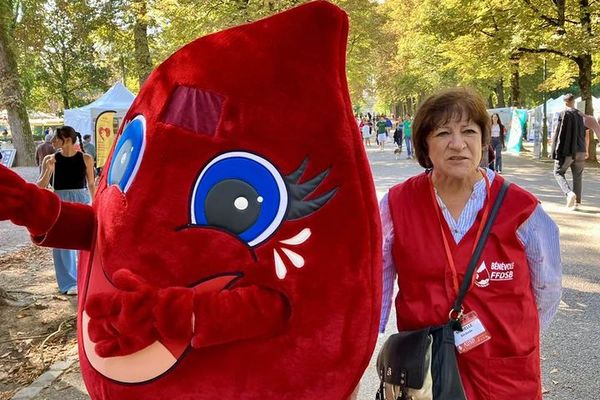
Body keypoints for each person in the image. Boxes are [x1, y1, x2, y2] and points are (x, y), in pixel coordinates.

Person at [379, 87, 561, 399]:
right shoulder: (397, 204)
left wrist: (515, 332)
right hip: (428, 371)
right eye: (443, 133)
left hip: (505, 367)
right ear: (424, 143)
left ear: (483, 140)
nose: (458, 144)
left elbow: (548, 288)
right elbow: (376, 285)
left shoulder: (522, 209)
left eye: (468, 131)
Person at [37, 126, 96, 295]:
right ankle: (69, 282)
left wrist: (96, 203)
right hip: (59, 201)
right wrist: (48, 169)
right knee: (61, 243)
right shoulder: (50, 158)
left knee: (83, 241)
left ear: (67, 140)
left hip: (81, 201)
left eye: (56, 138)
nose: (53, 141)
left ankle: (86, 278)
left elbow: (91, 184)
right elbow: (40, 186)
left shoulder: (86, 158)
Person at [551, 93, 589, 210]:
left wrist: (554, 149)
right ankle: (577, 203)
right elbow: (586, 133)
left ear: (565, 102)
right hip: (581, 150)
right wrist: (586, 150)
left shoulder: (563, 114)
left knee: (558, 172)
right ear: (573, 101)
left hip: (567, 151)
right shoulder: (581, 115)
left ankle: (569, 193)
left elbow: (558, 133)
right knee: (577, 176)